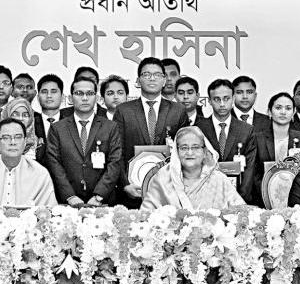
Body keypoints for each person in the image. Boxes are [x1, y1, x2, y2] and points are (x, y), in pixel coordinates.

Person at [115, 57, 191, 205]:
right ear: (138, 80)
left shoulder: (178, 111)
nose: (152, 78)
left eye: (157, 74)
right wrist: (125, 184)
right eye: (146, 74)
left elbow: (185, 151)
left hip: (169, 190)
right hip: (132, 191)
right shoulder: (123, 111)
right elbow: (117, 152)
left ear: (164, 80)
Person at [44, 75, 124, 206]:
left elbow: (114, 162)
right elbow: (54, 164)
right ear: (70, 99)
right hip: (67, 203)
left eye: (90, 93)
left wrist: (99, 196)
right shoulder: (57, 128)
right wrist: (69, 196)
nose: (85, 98)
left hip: (103, 202)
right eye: (79, 93)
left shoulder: (110, 127)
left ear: (97, 98)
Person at [142, 126, 246, 210]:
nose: (190, 152)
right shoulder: (162, 178)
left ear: (204, 151)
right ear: (177, 152)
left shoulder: (219, 180)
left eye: (196, 147)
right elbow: (146, 216)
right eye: (184, 148)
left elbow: (241, 213)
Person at [195, 79, 259, 204]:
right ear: (209, 101)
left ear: (233, 98)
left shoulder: (246, 130)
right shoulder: (198, 129)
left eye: (226, 99)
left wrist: (240, 201)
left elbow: (249, 169)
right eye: (217, 99)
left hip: (239, 197)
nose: (222, 104)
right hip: (206, 198)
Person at [252, 92, 300, 207]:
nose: (283, 112)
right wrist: (266, 193)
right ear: (269, 112)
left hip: (297, 200)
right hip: (263, 199)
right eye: (278, 108)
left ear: (294, 113)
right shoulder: (257, 139)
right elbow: (253, 173)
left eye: (288, 108)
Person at [0, 97, 46, 163]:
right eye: (15, 114)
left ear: (30, 119)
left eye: (25, 115)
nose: (20, 118)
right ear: (7, 115)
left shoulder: (37, 142)